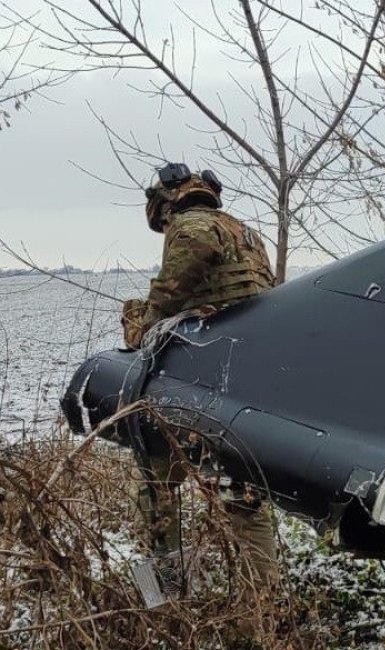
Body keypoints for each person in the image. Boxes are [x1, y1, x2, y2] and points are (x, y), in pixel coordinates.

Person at [122, 162, 279, 593]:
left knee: (157, 492)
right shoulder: (246, 235)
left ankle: (163, 601)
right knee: (244, 501)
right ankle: (262, 610)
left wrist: (138, 319)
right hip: (245, 388)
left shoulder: (192, 227)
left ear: (166, 204)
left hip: (196, 386)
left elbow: (160, 316)